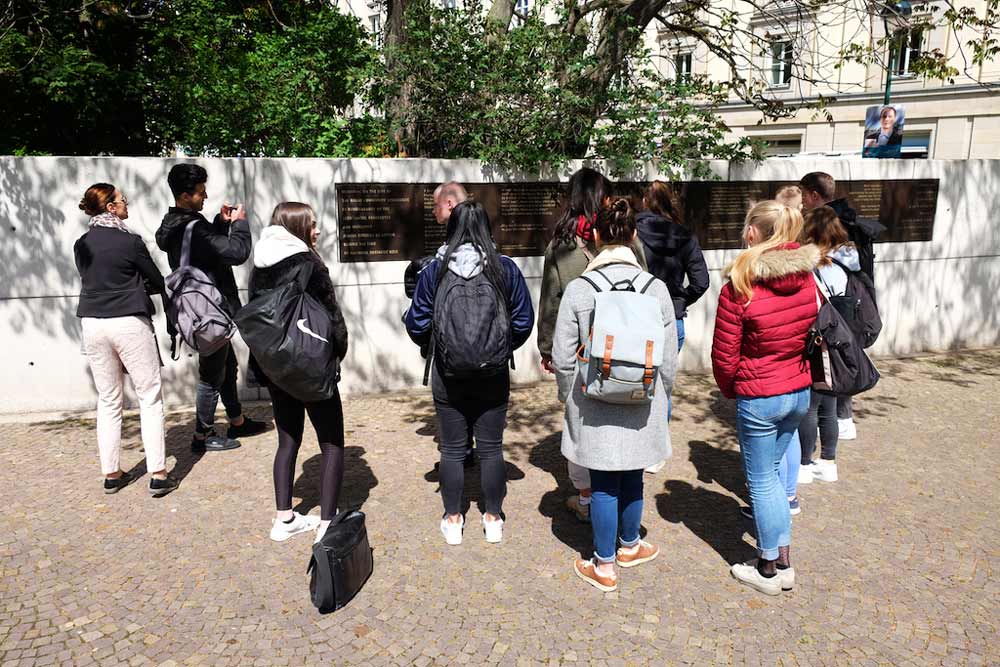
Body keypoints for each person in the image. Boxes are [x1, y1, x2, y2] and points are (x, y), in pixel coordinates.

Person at [553, 198, 677, 592]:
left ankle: (603, 565)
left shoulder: (579, 288)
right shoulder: (655, 288)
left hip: (593, 399)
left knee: (603, 480)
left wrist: (567, 397)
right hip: (643, 396)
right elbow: (669, 358)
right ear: (633, 236)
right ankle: (629, 545)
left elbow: (562, 354)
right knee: (633, 475)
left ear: (594, 235)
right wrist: (662, 395)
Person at [405, 201, 535, 546]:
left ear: (452, 228)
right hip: (493, 375)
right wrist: (499, 349)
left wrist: (440, 346)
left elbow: (416, 322)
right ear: (487, 229)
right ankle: (493, 519)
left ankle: (453, 519)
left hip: (448, 375)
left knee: (451, 449)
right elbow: (523, 321)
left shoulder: (435, 270)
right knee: (491, 449)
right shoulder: (504, 268)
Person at [712, 200, 819, 596]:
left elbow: (725, 354)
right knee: (772, 476)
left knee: (760, 481)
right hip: (798, 389)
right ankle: (782, 557)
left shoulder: (740, 285)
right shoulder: (808, 278)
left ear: (754, 233)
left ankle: (770, 567)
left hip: (761, 393)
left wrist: (731, 389)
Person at [537, 168, 646, 523]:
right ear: (603, 198)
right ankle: (620, 490)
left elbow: (551, 300)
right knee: (622, 412)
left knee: (577, 418)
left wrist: (548, 347)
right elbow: (643, 283)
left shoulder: (560, 243)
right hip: (625, 348)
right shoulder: (627, 240)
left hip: (580, 348)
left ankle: (588, 496)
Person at [248, 203, 350, 542]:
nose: (317, 230)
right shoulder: (308, 262)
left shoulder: (260, 263)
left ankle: (284, 518)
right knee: (332, 441)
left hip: (277, 365)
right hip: (311, 363)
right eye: (313, 224)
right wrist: (339, 350)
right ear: (297, 227)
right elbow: (331, 314)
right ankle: (327, 523)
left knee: (287, 439)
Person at [155, 163, 268, 452]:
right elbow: (235, 252)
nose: (205, 197)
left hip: (198, 309)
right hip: (209, 311)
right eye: (200, 193)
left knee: (226, 365)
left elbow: (202, 249)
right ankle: (201, 436)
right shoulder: (193, 226)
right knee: (211, 374)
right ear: (184, 195)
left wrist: (220, 223)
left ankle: (237, 421)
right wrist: (239, 224)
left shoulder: (173, 225)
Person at [74, 183, 177, 497]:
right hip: (129, 320)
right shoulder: (130, 241)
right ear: (110, 207)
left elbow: (89, 276)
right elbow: (157, 281)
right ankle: (158, 474)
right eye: (123, 200)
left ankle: (111, 473)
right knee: (149, 396)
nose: (127, 204)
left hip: (92, 323)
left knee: (108, 400)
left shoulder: (81, 243)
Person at [799, 171, 884, 441]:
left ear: (814, 195)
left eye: (803, 195)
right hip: (852, 309)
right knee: (843, 358)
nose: (801, 202)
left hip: (834, 311)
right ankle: (843, 420)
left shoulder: (825, 245)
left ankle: (833, 430)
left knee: (830, 366)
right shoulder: (848, 237)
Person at [403, 181, 475, 468]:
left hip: (454, 342)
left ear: (449, 204)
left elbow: (418, 320)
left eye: (435, 205)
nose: (432, 211)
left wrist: (426, 333)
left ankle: (460, 450)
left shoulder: (450, 252)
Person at [796, 206, 860, 485]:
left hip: (816, 342)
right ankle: (829, 461)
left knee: (810, 407)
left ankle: (805, 463)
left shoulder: (813, 267)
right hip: (838, 343)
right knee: (830, 407)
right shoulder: (846, 264)